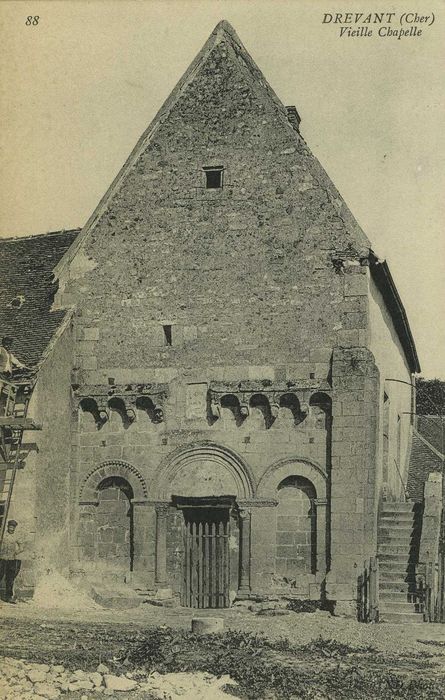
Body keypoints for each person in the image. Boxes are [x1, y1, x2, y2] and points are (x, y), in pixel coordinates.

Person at [0, 519, 24, 603]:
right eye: (10, 527)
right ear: (8, 527)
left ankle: (8, 597)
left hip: (11, 560)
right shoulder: (2, 534)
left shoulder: (16, 536)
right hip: (2, 559)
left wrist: (16, 552)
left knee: (10, 579)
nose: (12, 529)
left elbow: (22, 547)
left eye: (13, 527)